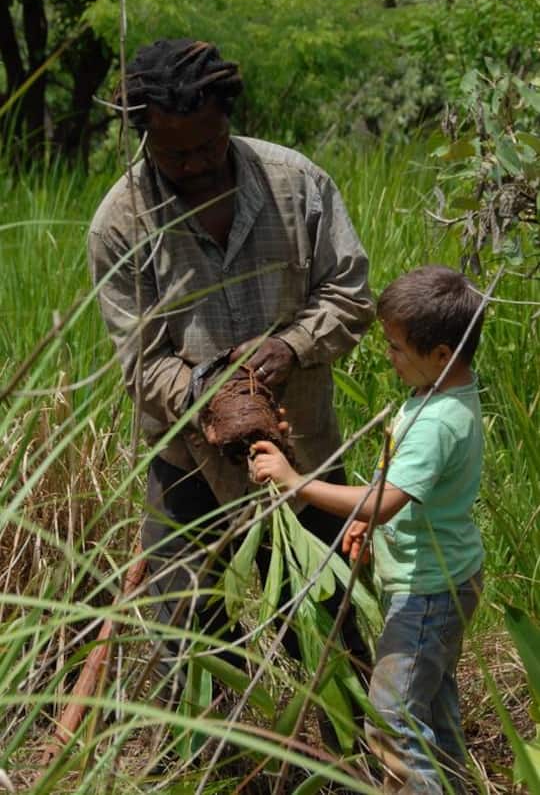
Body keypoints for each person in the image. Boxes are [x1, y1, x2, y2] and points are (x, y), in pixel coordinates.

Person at [88, 39, 375, 697]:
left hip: (303, 455)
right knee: (189, 636)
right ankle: (219, 765)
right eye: (173, 153)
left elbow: (350, 295)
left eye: (207, 147)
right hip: (188, 462)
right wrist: (206, 390)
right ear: (144, 136)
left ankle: (346, 759)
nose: (193, 166)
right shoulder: (121, 224)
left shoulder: (296, 183)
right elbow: (140, 364)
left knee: (327, 626)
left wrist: (291, 346)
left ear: (227, 121)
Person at [252, 265, 485, 794]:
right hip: (448, 579)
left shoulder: (436, 421)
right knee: (432, 704)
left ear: (442, 355)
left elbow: (385, 501)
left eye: (398, 348)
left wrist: (296, 483)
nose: (389, 357)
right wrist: (363, 520)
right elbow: (399, 483)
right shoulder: (439, 398)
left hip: (427, 592)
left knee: (392, 717)